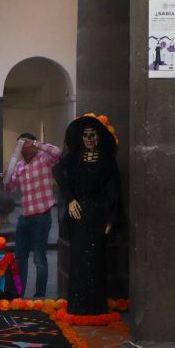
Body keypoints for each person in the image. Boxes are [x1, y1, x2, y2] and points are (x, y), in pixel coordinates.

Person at [52, 115, 123, 316]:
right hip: (79, 214)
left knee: (97, 258)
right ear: (81, 138)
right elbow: (57, 170)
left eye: (93, 135)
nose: (89, 139)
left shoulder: (107, 160)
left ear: (99, 137)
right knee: (79, 258)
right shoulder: (74, 157)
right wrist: (70, 199)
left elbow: (114, 189)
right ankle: (78, 305)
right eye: (86, 135)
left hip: (98, 214)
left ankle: (96, 307)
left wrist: (112, 217)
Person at [3, 131, 63, 298]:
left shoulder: (44, 159)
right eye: (19, 146)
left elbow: (58, 152)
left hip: (41, 216)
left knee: (39, 258)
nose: (21, 148)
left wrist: (36, 143)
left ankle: (39, 296)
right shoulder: (19, 166)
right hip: (24, 217)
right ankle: (19, 294)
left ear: (33, 145)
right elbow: (10, 189)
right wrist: (6, 178)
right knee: (20, 258)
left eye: (24, 144)